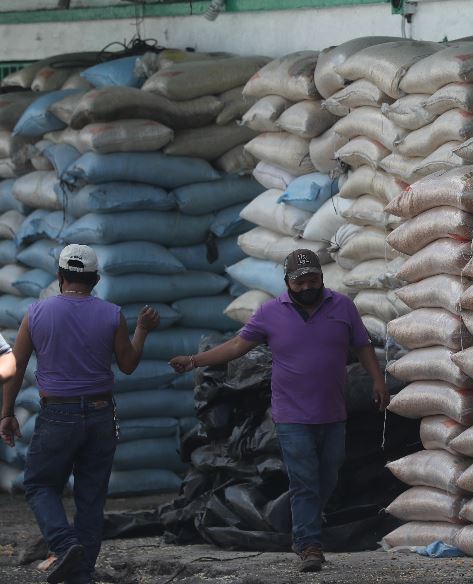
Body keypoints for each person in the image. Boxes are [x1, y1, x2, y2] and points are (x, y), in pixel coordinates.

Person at [169, 249, 389, 573]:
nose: (307, 286)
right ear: (288, 283)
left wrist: (377, 380)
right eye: (300, 281)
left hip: (333, 412)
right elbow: (235, 346)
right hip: (291, 416)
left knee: (328, 474)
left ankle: (309, 522)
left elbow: (363, 345)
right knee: (304, 480)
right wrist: (194, 360)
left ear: (322, 278)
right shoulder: (270, 313)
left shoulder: (343, 307)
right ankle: (308, 545)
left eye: (313, 279)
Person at [0, 244, 160, 584]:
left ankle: (64, 543)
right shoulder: (111, 314)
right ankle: (81, 574)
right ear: (96, 279)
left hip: (58, 414)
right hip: (101, 415)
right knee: (90, 496)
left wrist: (7, 412)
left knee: (39, 483)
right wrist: (142, 329)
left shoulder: (37, 313)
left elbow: (15, 367)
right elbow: (128, 365)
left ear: (59, 277)